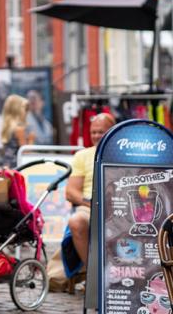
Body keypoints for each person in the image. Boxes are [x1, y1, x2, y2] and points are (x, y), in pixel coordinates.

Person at [65, 112, 115, 265]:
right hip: (90, 206)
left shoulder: (125, 153)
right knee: (76, 221)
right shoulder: (82, 155)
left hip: (120, 206)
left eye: (101, 132)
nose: (96, 136)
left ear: (113, 131)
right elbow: (70, 192)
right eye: (93, 132)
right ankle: (92, 273)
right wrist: (93, 203)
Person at [0, 94, 33, 168]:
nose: (27, 112)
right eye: (25, 109)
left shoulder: (9, 128)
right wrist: (31, 139)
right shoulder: (19, 129)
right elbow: (26, 152)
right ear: (17, 110)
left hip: (7, 164)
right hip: (17, 165)